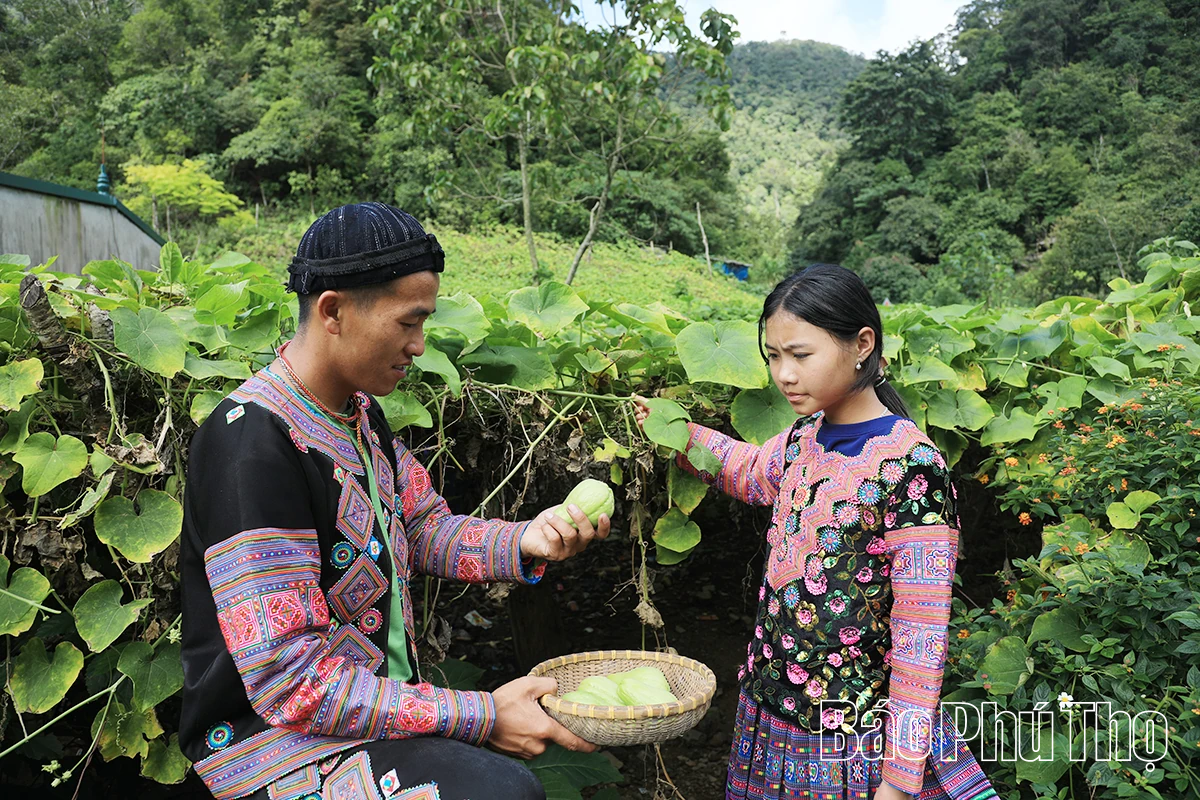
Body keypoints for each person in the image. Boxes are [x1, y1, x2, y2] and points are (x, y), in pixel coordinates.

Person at [179, 203, 610, 800]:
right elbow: (288, 682)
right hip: (272, 744)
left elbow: (423, 527)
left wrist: (526, 540)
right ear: (333, 310)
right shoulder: (251, 442)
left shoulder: (359, 415)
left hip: (363, 710)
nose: (418, 345)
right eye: (409, 322)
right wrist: (482, 715)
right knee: (502, 794)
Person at [633, 264, 996, 800]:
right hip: (772, 709)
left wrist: (897, 784)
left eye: (800, 355)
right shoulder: (806, 435)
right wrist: (673, 430)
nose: (784, 374)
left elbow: (921, 639)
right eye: (774, 356)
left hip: (852, 740)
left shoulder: (912, 466)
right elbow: (748, 469)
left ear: (861, 344)